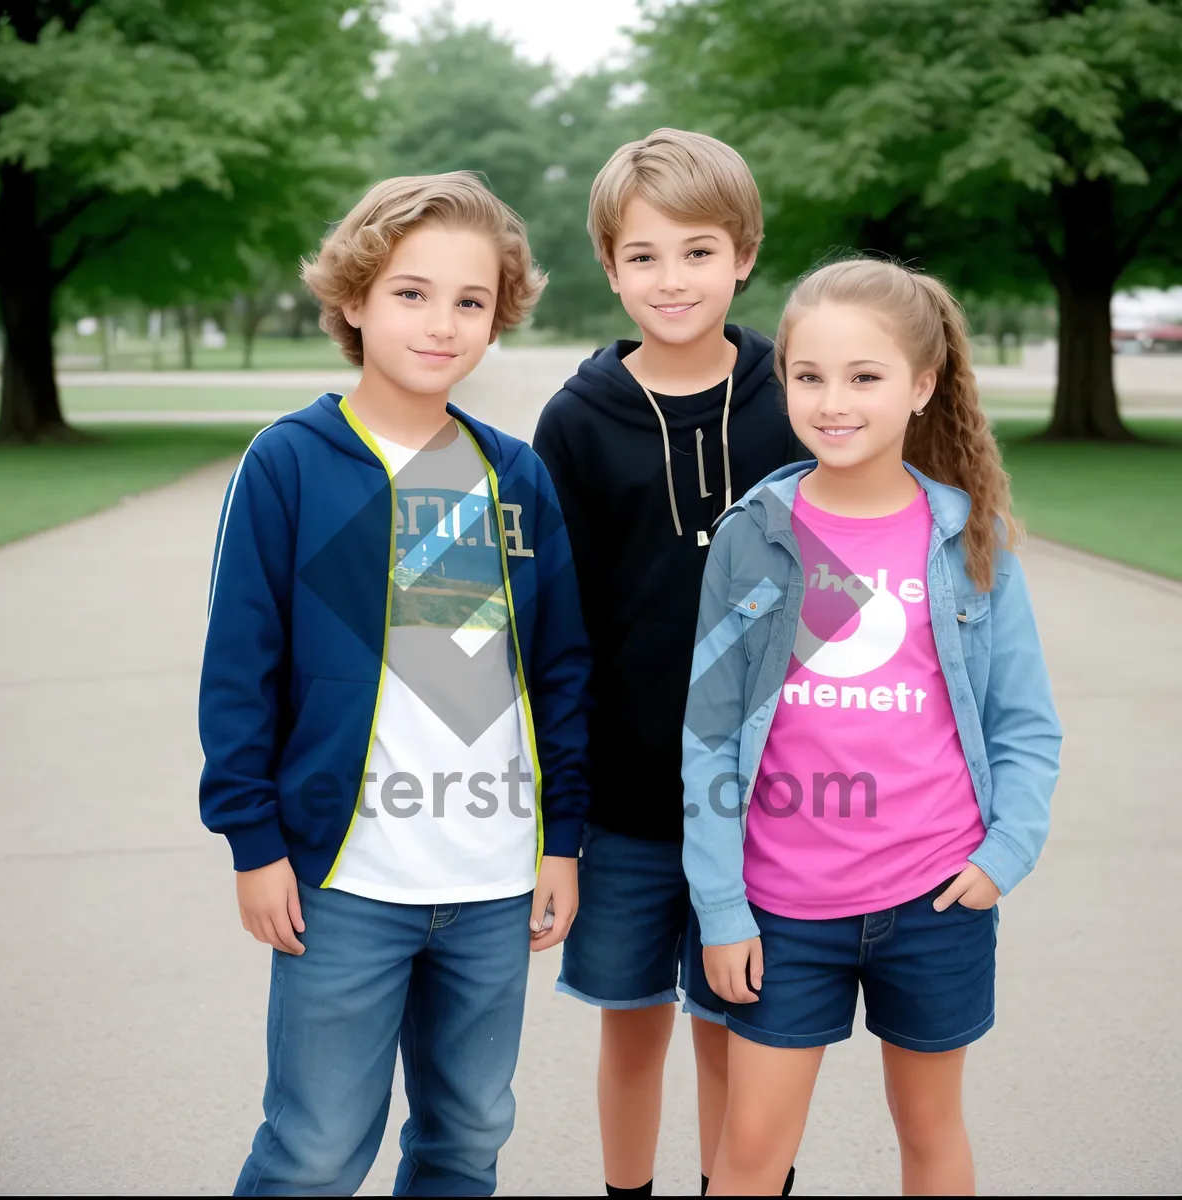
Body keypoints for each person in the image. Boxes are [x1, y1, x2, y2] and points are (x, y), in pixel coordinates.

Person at [197, 171, 591, 1197]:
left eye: (470, 301)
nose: (442, 323)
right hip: (346, 880)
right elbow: (240, 670)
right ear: (355, 301)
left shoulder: (516, 476)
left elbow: (558, 672)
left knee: (466, 1141)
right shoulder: (291, 464)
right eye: (412, 293)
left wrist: (561, 841)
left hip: (495, 879)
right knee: (316, 1151)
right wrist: (254, 844)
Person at [681, 257, 1064, 1195]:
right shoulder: (756, 532)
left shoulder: (967, 538)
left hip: (935, 900)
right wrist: (723, 907)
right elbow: (710, 736)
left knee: (931, 1136)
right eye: (809, 377)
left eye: (865, 377)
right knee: (752, 1149)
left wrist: (1003, 855)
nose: (833, 401)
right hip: (782, 909)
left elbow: (1024, 722)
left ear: (922, 386)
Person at [532, 128, 805, 1197]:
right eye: (643, 256)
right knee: (634, 1027)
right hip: (630, 804)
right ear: (609, 268)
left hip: (774, 799)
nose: (672, 278)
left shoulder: (797, 400)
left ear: (743, 253)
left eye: (698, 251)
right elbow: (558, 630)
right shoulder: (577, 423)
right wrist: (563, 812)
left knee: (735, 1029)